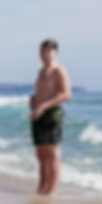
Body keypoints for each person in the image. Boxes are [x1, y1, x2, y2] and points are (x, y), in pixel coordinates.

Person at [29, 39, 71, 195]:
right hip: (37, 113)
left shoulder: (59, 70)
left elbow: (66, 94)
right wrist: (34, 100)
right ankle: (42, 187)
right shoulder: (41, 71)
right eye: (42, 51)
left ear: (55, 52)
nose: (44, 55)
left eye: (48, 51)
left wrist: (43, 105)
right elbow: (41, 91)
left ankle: (51, 190)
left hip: (51, 113)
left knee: (52, 153)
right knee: (40, 153)